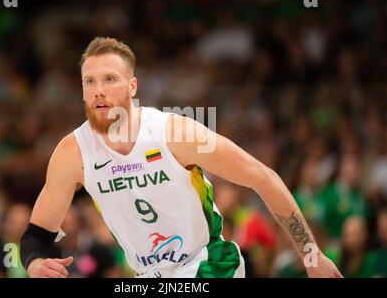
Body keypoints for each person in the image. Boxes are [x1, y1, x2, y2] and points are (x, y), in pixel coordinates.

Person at [20, 37, 342, 278]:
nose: (98, 90)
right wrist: (34, 262)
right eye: (90, 81)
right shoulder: (72, 152)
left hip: (207, 264)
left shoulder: (173, 133)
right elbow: (37, 234)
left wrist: (311, 256)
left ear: (132, 86)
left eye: (109, 79)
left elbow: (263, 177)